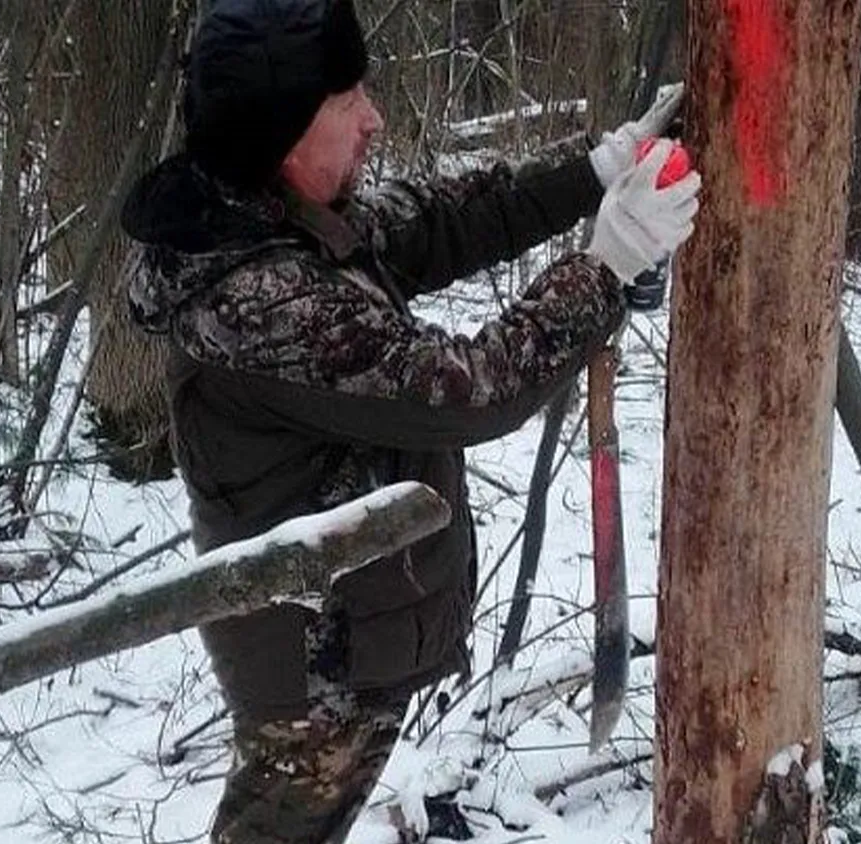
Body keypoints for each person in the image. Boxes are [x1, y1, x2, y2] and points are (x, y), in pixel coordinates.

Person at [119, 1, 699, 840]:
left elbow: (440, 220)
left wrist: (594, 169)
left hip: (340, 639)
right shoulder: (255, 299)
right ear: (283, 132)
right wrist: (605, 267)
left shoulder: (268, 218)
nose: (373, 118)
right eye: (346, 98)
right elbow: (469, 388)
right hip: (314, 676)